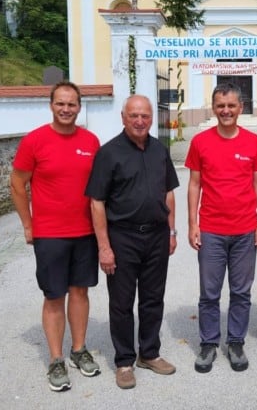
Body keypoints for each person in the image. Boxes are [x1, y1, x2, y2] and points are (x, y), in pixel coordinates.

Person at [10, 81, 101, 392]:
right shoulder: (35, 141)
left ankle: (79, 350)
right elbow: (17, 183)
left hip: (85, 232)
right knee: (53, 296)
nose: (66, 109)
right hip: (50, 234)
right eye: (60, 103)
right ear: (51, 105)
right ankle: (56, 359)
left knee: (80, 293)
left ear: (79, 107)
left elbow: (100, 189)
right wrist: (27, 223)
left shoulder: (91, 141)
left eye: (72, 104)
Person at [85, 95, 179, 389]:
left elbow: (169, 193)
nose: (140, 121)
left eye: (146, 116)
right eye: (134, 115)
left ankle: (149, 353)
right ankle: (124, 361)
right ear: (123, 117)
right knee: (122, 303)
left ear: (153, 119)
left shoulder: (159, 150)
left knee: (153, 298)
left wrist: (172, 232)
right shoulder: (108, 153)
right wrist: (104, 247)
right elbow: (97, 202)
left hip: (156, 235)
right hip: (122, 237)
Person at [185, 82, 257, 374]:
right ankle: (208, 343)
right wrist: (192, 223)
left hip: (245, 229)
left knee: (241, 291)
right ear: (214, 107)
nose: (226, 111)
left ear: (240, 108)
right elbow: (194, 184)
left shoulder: (253, 142)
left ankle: (235, 342)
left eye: (231, 106)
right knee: (209, 293)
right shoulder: (200, 141)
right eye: (221, 106)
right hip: (211, 229)